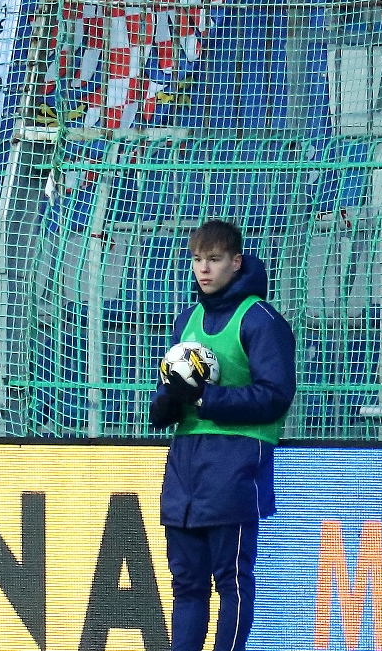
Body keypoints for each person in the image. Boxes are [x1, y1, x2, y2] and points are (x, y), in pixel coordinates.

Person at [148, 219, 295, 651]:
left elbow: (276, 395)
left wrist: (206, 400)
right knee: (186, 584)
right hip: (185, 470)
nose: (204, 270)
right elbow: (169, 399)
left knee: (231, 581)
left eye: (213, 260)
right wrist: (168, 402)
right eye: (197, 260)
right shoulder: (187, 319)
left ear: (236, 261)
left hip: (234, 465)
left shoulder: (261, 320)